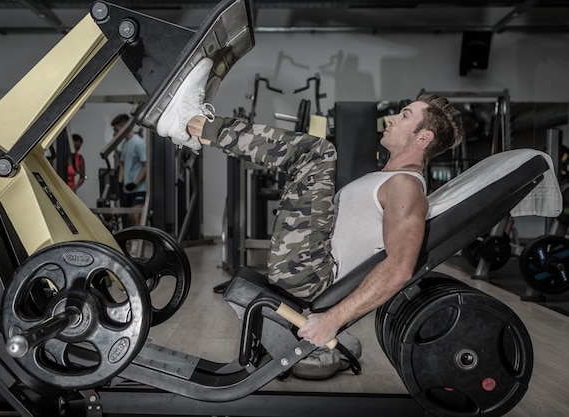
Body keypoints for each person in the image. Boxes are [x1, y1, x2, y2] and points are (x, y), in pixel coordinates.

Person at [156, 58, 463, 349]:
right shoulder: (388, 177)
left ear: (423, 138)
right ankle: (194, 131)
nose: (393, 118)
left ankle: (193, 124)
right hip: (309, 266)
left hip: (312, 279)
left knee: (318, 153)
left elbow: (399, 268)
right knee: (314, 157)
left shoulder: (407, 187)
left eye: (405, 116)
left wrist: (333, 320)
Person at [112, 114, 147, 227]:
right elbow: (122, 164)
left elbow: (146, 166)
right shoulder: (125, 144)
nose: (115, 133)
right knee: (128, 219)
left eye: (116, 130)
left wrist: (134, 184)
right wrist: (120, 181)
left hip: (138, 188)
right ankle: (131, 244)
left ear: (124, 127)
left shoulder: (138, 143)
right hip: (127, 188)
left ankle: (137, 244)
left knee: (135, 216)